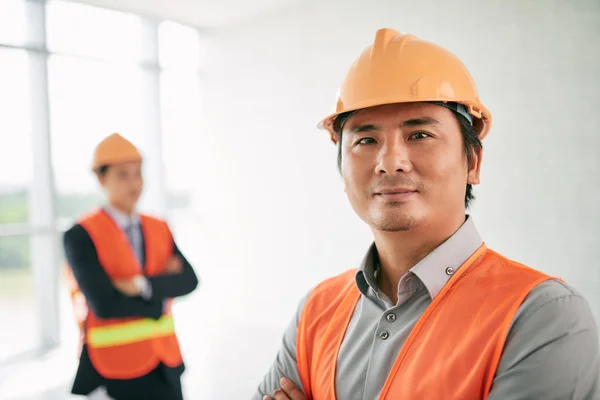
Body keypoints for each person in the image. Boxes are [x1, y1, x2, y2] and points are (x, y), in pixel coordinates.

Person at [254, 28, 600, 400]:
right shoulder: (316, 311)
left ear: (473, 162)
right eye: (366, 140)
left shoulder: (541, 316)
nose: (390, 163)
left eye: (419, 135)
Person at [64, 133, 198, 400]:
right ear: (102, 179)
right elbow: (105, 304)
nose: (134, 183)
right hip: (114, 368)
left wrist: (140, 285)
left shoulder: (158, 227)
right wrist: (160, 297)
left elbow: (189, 281)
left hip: (166, 363)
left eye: (138, 173)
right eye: (123, 175)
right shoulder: (81, 234)